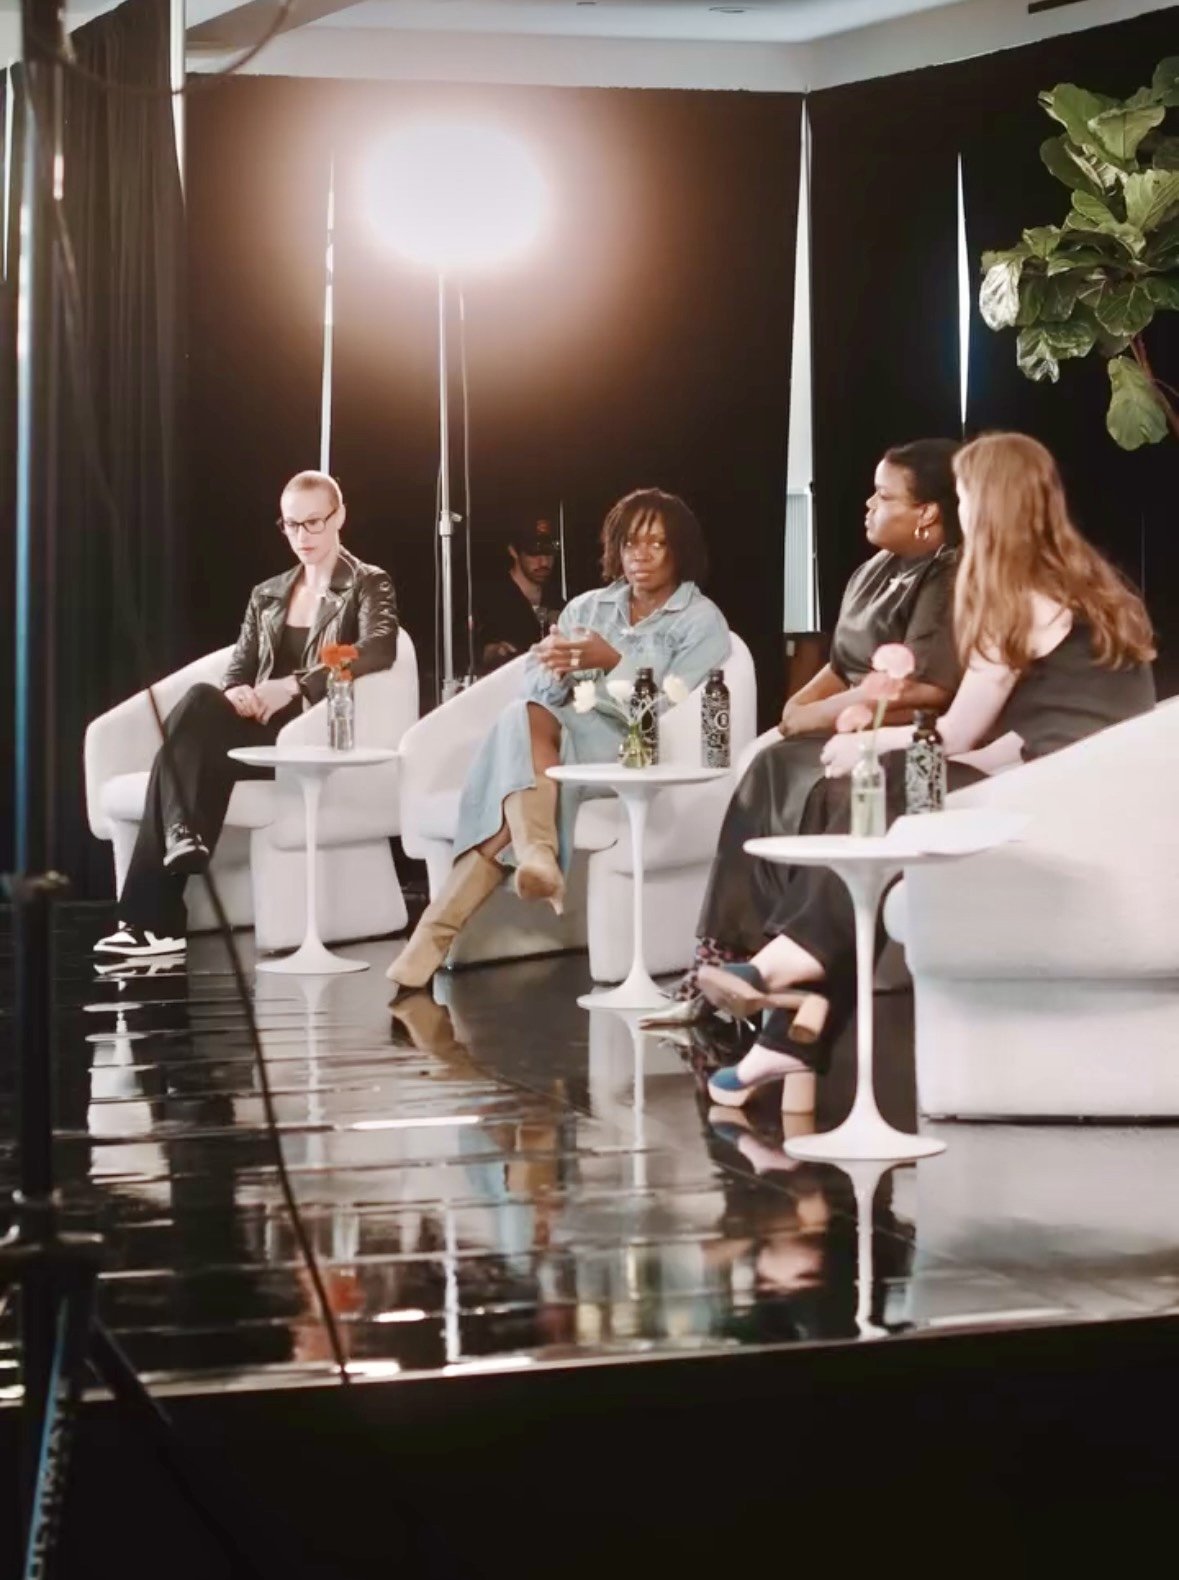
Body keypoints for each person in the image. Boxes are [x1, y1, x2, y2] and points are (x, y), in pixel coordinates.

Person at [700, 432, 1156, 1113]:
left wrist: (866, 743)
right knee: (872, 788)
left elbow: (958, 733)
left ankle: (781, 968)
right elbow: (1035, 733)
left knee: (887, 781)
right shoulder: (1083, 583)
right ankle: (790, 1031)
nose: (959, 512)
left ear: (989, 507)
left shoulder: (1023, 597)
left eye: (966, 497)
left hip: (1059, 809)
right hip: (1079, 792)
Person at [647, 438, 964, 1026]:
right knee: (770, 762)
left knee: (799, 773)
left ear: (928, 513)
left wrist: (815, 719)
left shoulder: (948, 576)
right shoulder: (873, 572)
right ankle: (721, 956)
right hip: (846, 719)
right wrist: (796, 706)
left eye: (885, 495)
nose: (868, 504)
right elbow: (843, 664)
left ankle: (779, 962)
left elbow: (926, 688)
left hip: (899, 732)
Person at [387, 487, 730, 994]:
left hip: (636, 749)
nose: (641, 555)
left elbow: (674, 706)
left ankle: (469, 908)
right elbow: (539, 694)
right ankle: (536, 856)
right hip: (562, 736)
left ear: (681, 550)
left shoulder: (701, 621)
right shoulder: (589, 607)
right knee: (521, 712)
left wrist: (612, 661)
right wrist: (556, 665)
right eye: (631, 543)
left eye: (657, 544)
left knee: (513, 778)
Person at [95, 471, 399, 961]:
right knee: (198, 703)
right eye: (291, 525)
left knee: (180, 758)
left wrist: (295, 685)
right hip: (253, 729)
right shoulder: (269, 593)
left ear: (339, 516)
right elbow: (237, 667)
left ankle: (154, 919)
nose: (303, 537)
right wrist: (239, 693)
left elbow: (379, 648)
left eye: (314, 523)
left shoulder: (367, 582)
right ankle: (179, 847)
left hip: (306, 733)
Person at [477, 518, 562, 672]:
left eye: (549, 553)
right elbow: (463, 653)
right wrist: (490, 653)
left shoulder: (559, 602)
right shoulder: (488, 602)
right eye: (533, 553)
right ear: (513, 551)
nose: (543, 562)